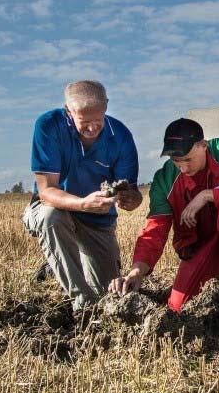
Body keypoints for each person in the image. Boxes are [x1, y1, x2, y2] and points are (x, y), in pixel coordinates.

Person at [109, 118, 219, 313]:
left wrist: (208, 195)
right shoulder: (165, 181)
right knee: (178, 306)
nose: (183, 168)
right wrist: (136, 272)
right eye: (176, 161)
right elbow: (155, 231)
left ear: (203, 145)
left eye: (187, 159)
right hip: (204, 244)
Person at [22, 80, 142, 309]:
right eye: (84, 122)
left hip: (97, 221)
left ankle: (59, 265)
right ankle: (81, 303)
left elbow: (134, 195)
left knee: (109, 295)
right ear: (68, 111)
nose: (91, 128)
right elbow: (46, 191)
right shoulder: (48, 126)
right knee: (51, 218)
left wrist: (130, 199)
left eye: (97, 121)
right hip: (56, 208)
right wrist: (83, 204)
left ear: (106, 106)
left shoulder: (121, 136)